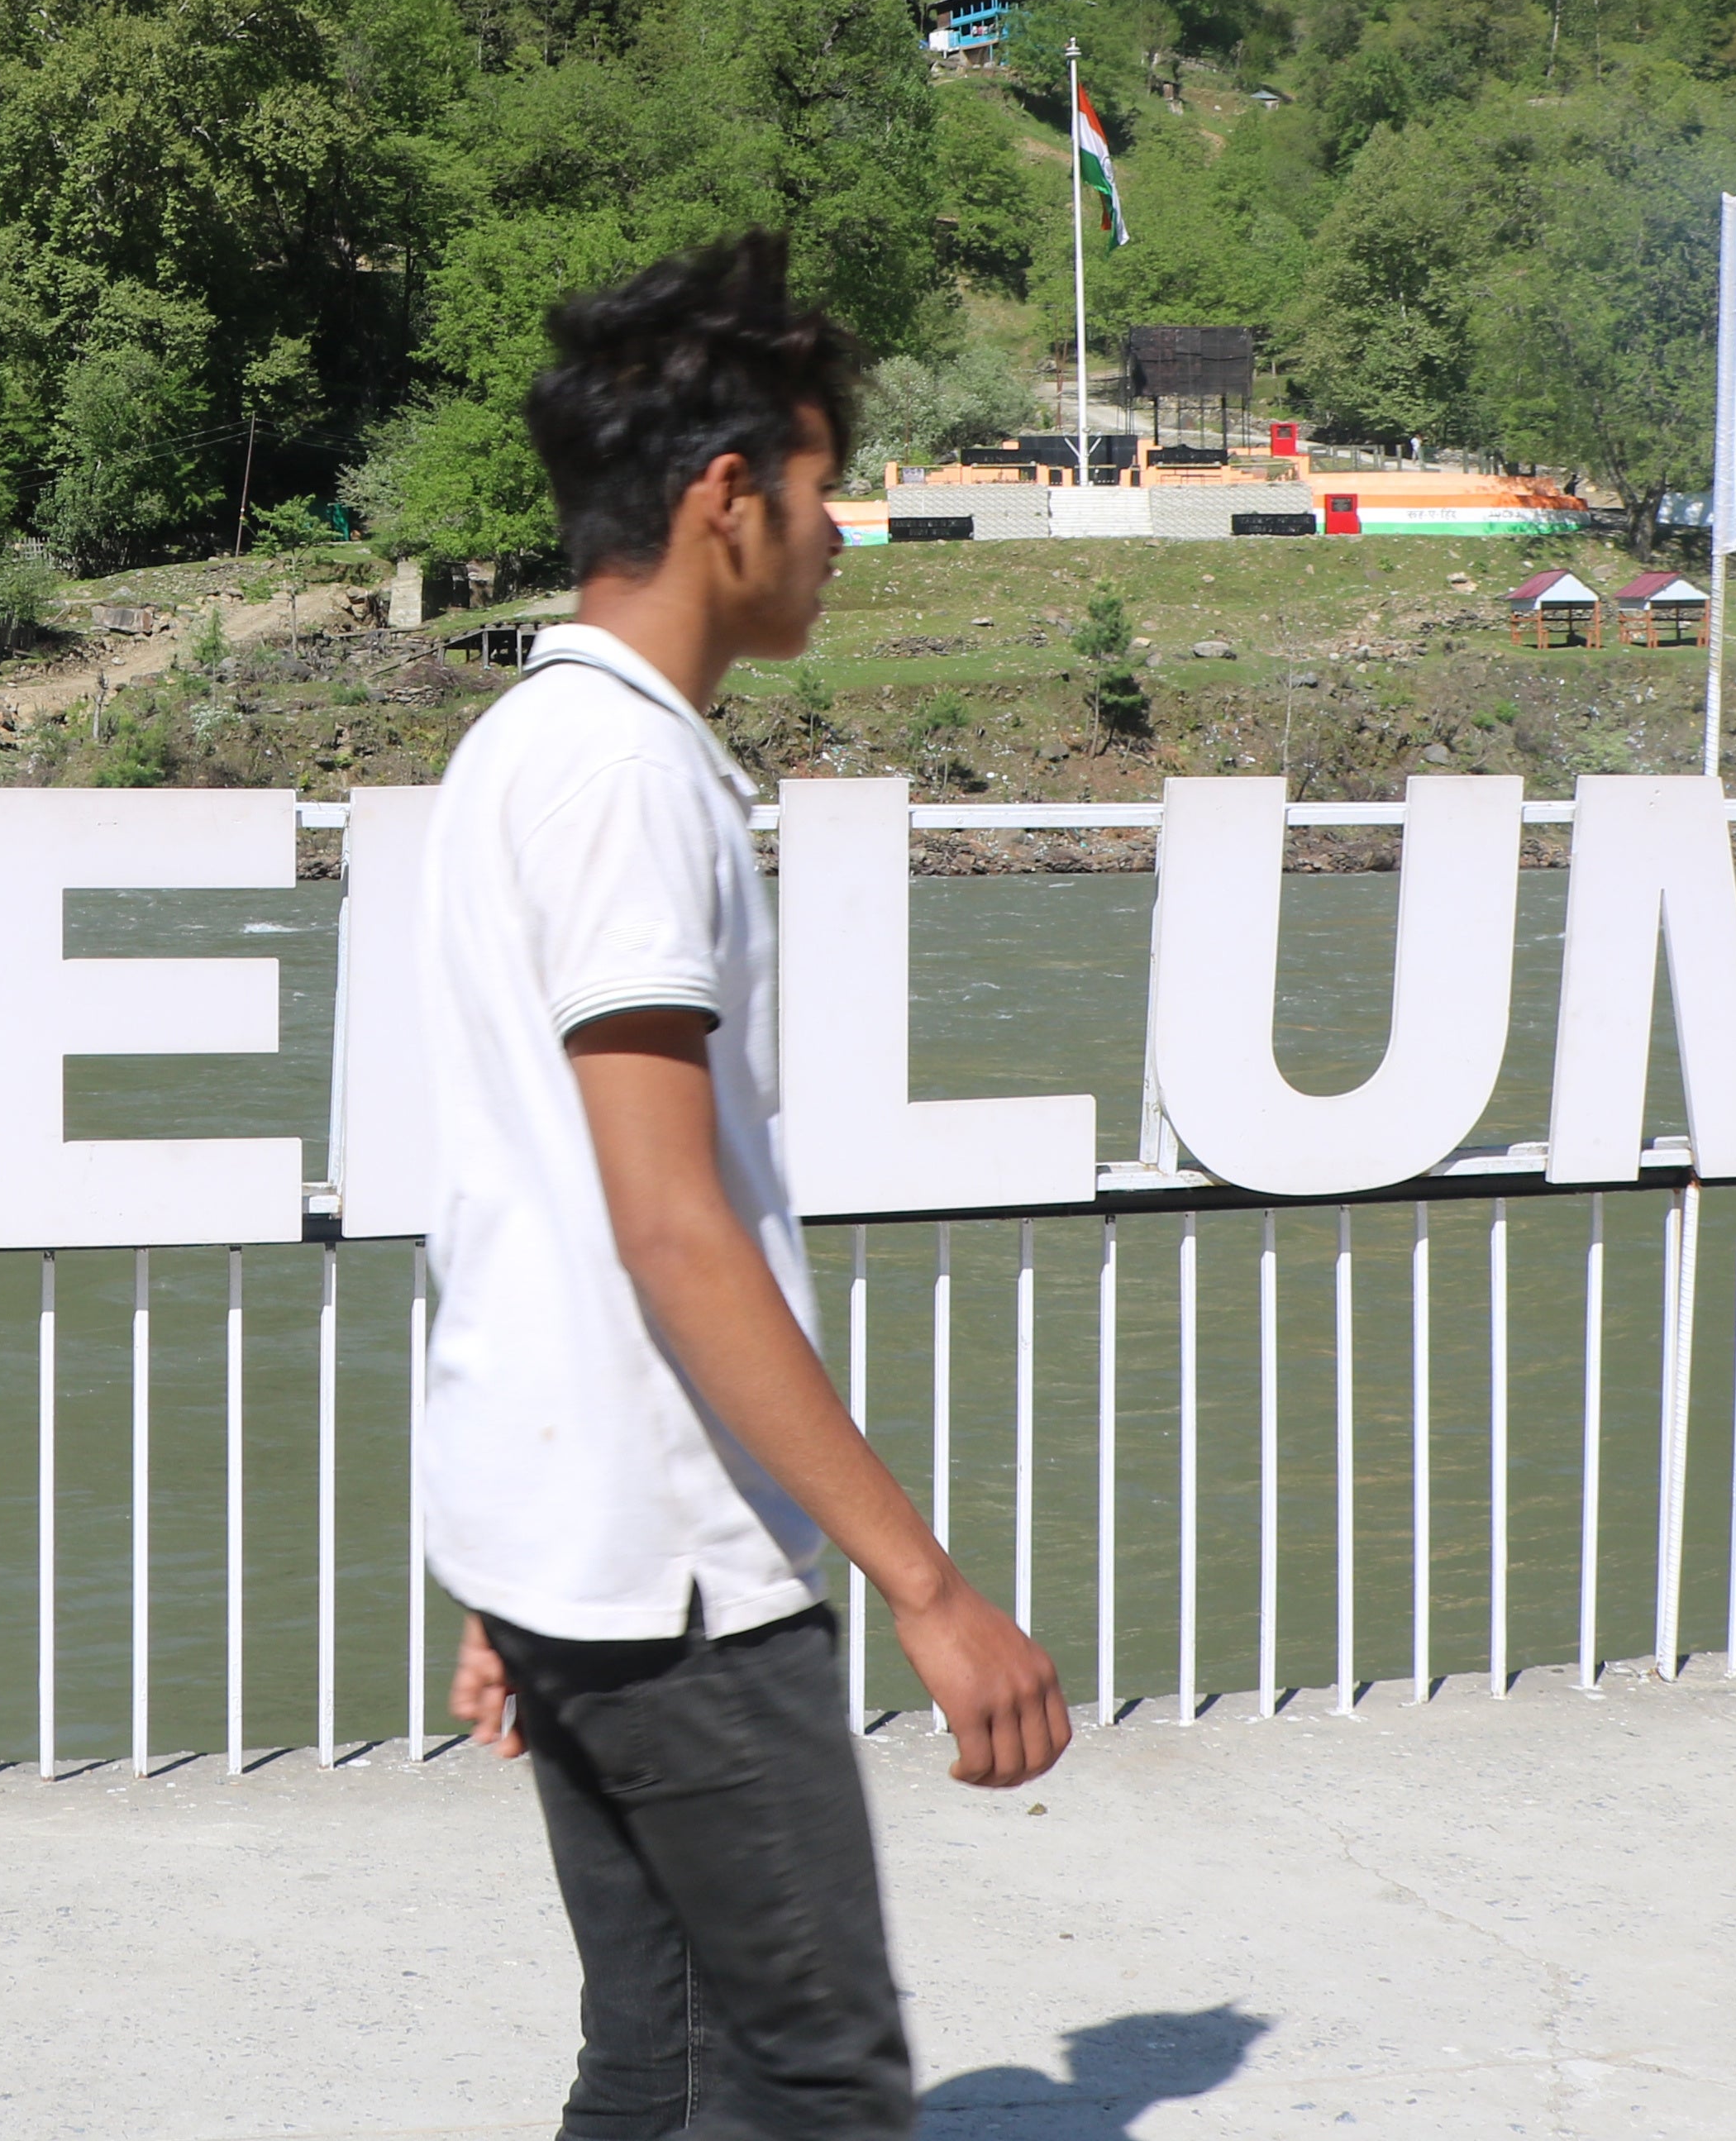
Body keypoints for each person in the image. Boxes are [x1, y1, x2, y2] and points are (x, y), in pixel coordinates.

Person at [419, 235, 1071, 2140]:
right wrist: (931, 1588)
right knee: (817, 2081)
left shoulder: (513, 748)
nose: (839, 532)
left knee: (667, 2054)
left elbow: (496, 1191)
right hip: (685, 1576)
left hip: (573, 1546)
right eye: (819, 486)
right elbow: (665, 1218)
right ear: (726, 501)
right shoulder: (631, 775)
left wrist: (511, 1578)